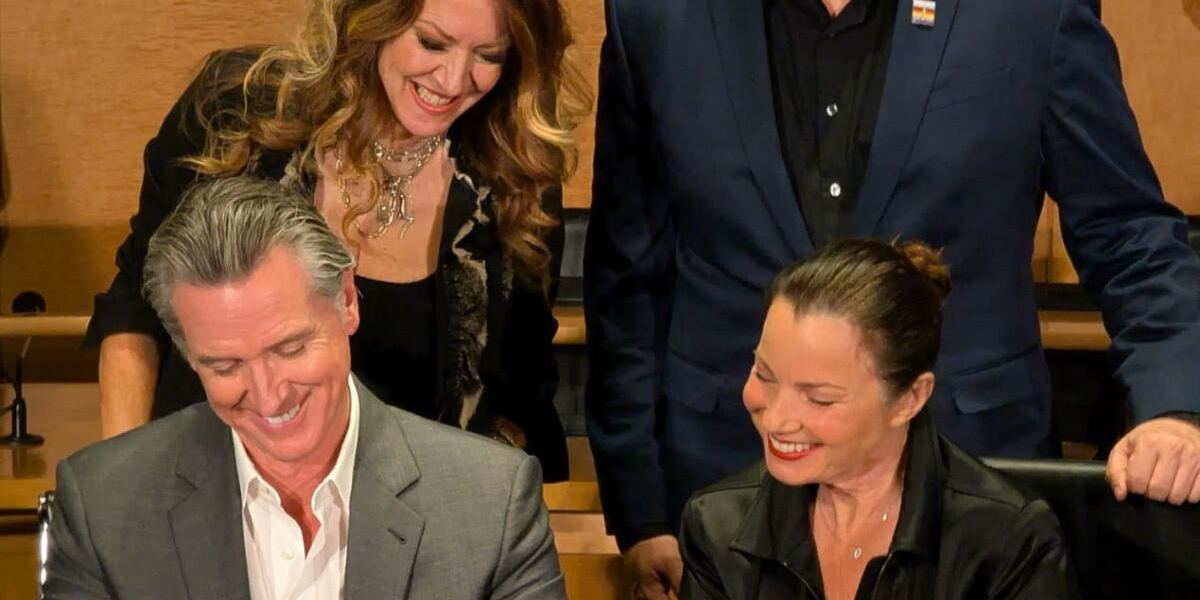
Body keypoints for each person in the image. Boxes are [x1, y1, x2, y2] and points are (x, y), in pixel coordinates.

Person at [583, 0, 1200, 596]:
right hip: (724, 501)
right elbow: (626, 275)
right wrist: (641, 511)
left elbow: (1126, 230)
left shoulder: (1033, 8)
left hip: (977, 510)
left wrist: (1176, 405)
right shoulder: (654, 12)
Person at [86, 0, 590, 481]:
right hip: (209, 496)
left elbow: (522, 390)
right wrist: (124, 487)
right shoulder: (235, 116)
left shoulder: (515, 180)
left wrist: (467, 512)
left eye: (489, 55)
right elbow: (135, 310)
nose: (454, 80)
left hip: (412, 521)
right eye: (432, 43)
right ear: (375, 17)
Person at [45, 177, 566, 600]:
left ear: (347, 302)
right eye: (225, 365)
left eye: (290, 348)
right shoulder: (101, 505)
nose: (269, 396)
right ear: (188, 355)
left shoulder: (491, 503)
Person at [678, 239, 1081, 600]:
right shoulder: (714, 526)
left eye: (819, 398)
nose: (777, 420)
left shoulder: (1009, 541)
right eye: (764, 375)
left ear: (910, 398)